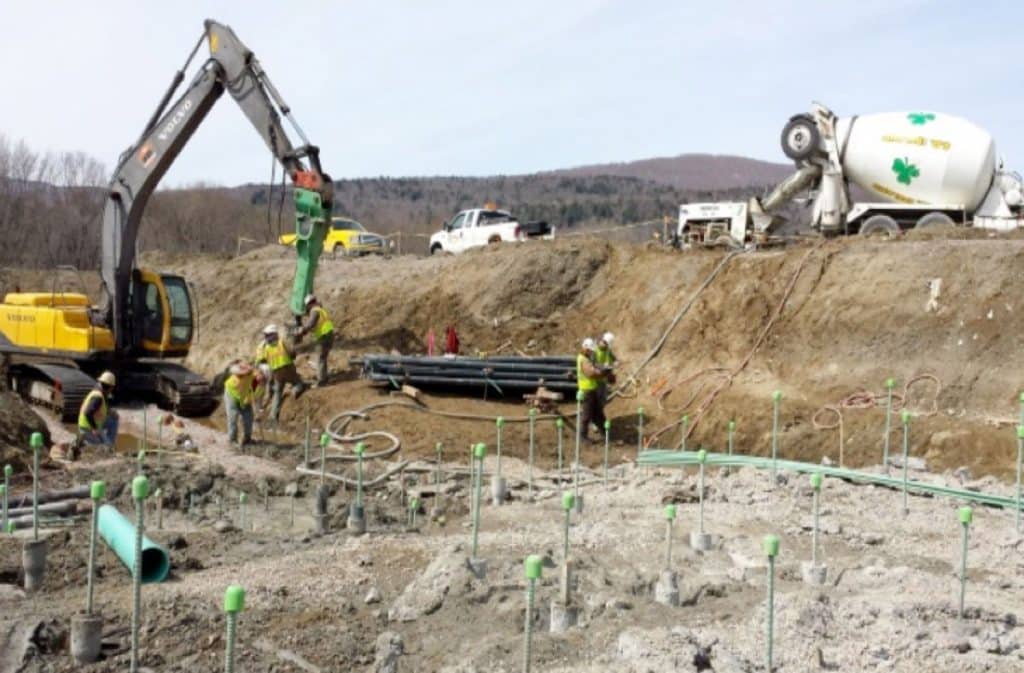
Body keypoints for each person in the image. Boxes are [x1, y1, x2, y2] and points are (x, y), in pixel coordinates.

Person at [254, 324, 307, 422]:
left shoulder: (266, 347)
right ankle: (295, 390)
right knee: (298, 382)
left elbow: (265, 359)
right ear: (275, 334)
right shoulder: (281, 342)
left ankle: (273, 416)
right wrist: (292, 357)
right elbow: (291, 352)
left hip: (276, 372)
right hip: (287, 368)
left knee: (278, 393)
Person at [296, 294, 335, 386]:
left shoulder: (315, 311)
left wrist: (302, 330)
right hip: (329, 335)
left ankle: (321, 381)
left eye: (307, 306)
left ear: (309, 304)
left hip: (323, 336)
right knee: (323, 358)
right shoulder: (321, 309)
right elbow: (316, 325)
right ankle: (324, 376)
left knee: (320, 358)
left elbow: (311, 324)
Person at [576, 338, 606, 443]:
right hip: (586, 391)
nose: (591, 352)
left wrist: (601, 369)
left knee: (598, 413)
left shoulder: (586, 358)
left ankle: (605, 433)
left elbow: (593, 368)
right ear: (585, 348)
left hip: (591, 390)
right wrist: (603, 373)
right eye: (590, 350)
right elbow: (591, 373)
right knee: (587, 415)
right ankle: (583, 436)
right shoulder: (583, 359)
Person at [78, 371, 119, 445]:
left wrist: (109, 412)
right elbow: (88, 413)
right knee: (102, 449)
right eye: (112, 387)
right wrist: (94, 428)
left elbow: (99, 408)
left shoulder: (100, 391)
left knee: (113, 420)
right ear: (110, 387)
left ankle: (110, 444)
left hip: (95, 423)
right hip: (87, 428)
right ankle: (85, 442)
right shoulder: (98, 397)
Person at [223, 361, 256, 446]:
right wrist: (245, 370)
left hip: (243, 396)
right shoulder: (236, 369)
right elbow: (233, 370)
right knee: (233, 417)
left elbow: (254, 390)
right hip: (231, 394)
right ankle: (232, 440)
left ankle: (247, 439)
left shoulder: (255, 375)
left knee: (249, 417)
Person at [594, 332, 618, 425]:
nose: (605, 345)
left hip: (604, 380)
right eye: (604, 343)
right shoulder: (594, 351)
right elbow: (592, 364)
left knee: (603, 401)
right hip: (595, 381)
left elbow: (614, 358)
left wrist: (616, 362)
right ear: (601, 341)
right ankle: (595, 422)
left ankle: (598, 419)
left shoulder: (608, 350)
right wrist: (602, 366)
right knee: (595, 402)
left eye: (607, 344)